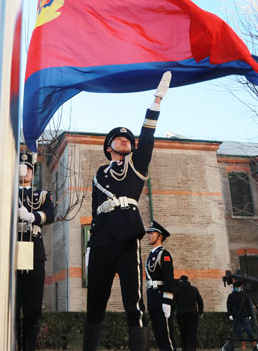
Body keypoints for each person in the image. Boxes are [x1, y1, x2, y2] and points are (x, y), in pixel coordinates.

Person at [83, 71, 172, 351]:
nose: (125, 141)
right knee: (95, 301)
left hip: (125, 238)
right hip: (100, 240)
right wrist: (89, 244)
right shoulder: (99, 173)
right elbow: (95, 209)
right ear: (109, 147)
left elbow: (146, 138)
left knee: (132, 301)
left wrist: (156, 101)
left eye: (127, 139)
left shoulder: (136, 166)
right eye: (119, 139)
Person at [15, 151, 54, 351]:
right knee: (12, 306)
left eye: (29, 168)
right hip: (11, 250)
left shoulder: (41, 195)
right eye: (22, 167)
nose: (25, 170)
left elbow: (50, 214)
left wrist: (32, 216)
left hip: (33, 249)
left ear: (33, 172)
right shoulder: (7, 194)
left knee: (32, 307)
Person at [145, 220, 175, 351]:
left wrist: (167, 301)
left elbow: (169, 279)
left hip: (162, 298)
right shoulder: (151, 255)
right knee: (158, 335)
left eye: (152, 233)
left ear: (160, 236)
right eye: (149, 233)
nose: (149, 235)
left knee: (165, 335)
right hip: (153, 298)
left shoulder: (164, 254)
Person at [175, 275, 204, 351]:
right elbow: (200, 301)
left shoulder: (176, 290)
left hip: (181, 314)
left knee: (183, 332)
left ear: (180, 280)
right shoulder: (194, 289)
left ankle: (184, 348)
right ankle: (191, 349)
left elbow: (173, 302)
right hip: (193, 314)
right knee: (192, 333)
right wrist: (200, 312)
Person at [227, 282, 257, 349]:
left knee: (248, 329)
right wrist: (230, 314)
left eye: (240, 287)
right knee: (238, 330)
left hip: (244, 315)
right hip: (235, 315)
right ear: (235, 288)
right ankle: (242, 343)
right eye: (237, 287)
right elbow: (229, 306)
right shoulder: (231, 296)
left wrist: (250, 315)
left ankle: (253, 342)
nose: (239, 289)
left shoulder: (244, 295)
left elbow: (249, 306)